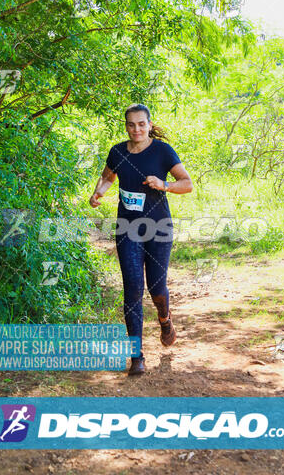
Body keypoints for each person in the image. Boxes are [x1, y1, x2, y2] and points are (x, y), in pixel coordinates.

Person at [89, 104, 193, 375]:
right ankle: (136, 356)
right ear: (126, 126)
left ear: (149, 124)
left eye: (141, 124)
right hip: (127, 229)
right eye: (131, 125)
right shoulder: (118, 151)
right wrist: (98, 193)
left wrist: (165, 185)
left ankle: (165, 319)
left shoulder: (162, 151)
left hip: (158, 227)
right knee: (133, 289)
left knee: (156, 289)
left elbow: (187, 183)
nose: (136, 129)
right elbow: (107, 176)